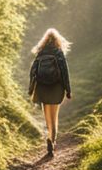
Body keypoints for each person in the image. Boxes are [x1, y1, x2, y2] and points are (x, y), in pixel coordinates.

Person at [28, 28, 72, 156]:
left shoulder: (40, 53)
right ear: (58, 40)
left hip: (42, 88)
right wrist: (68, 90)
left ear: (45, 40)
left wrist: (31, 89)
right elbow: (65, 72)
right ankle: (51, 140)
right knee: (54, 116)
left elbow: (33, 72)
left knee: (47, 117)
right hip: (56, 87)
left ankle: (49, 137)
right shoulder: (59, 53)